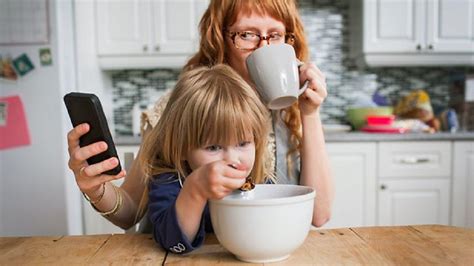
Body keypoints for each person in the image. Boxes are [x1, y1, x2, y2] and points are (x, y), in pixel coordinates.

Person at [66, 0, 334, 231]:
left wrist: (310, 114)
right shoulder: (181, 107)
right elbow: (131, 212)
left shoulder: (292, 110)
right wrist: (95, 190)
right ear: (220, 37)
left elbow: (318, 215)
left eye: (275, 35)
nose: (263, 49)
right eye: (247, 34)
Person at [141, 64, 271, 253]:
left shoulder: (260, 182)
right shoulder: (169, 181)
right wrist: (195, 190)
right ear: (182, 148)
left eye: (243, 143)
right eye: (214, 147)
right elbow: (172, 243)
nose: (232, 159)